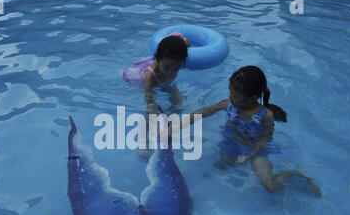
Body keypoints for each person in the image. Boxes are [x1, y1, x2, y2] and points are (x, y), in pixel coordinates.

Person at [171, 65, 322, 197]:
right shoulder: (229, 104)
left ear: (252, 99)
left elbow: (266, 140)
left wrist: (249, 156)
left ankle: (296, 174)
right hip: (231, 142)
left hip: (255, 149)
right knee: (223, 164)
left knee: (270, 186)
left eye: (235, 96)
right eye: (230, 92)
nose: (231, 97)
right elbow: (207, 111)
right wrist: (177, 126)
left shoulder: (265, 116)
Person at [121, 33, 190, 115]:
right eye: (167, 67)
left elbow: (185, 41)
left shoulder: (175, 59)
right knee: (150, 104)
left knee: (179, 102)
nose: (171, 72)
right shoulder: (151, 76)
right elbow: (149, 99)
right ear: (157, 58)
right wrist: (152, 109)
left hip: (164, 78)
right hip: (143, 79)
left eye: (177, 67)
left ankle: (174, 114)